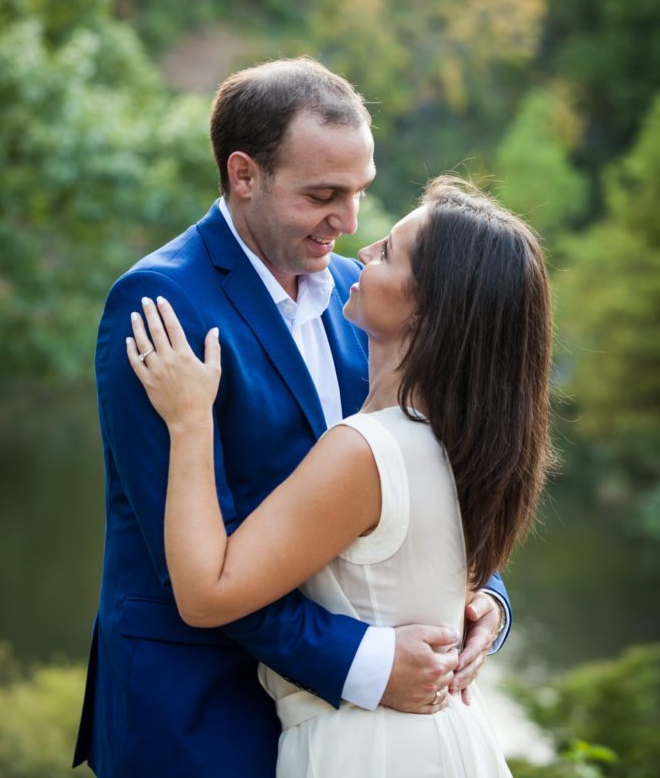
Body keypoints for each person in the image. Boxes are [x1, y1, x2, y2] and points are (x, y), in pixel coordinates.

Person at [73, 58, 510, 778]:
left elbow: (432, 468)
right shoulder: (159, 303)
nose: (348, 222)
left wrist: (481, 596)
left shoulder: (365, 292)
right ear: (244, 175)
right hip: (200, 706)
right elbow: (194, 560)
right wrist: (366, 664)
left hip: (345, 721)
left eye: (359, 192)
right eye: (322, 195)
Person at [127, 175, 553, 776]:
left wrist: (191, 420)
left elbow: (206, 592)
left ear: (427, 309)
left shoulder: (364, 449)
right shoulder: (464, 435)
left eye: (386, 252)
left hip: (369, 748)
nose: (359, 248)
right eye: (324, 194)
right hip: (444, 737)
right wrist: (482, 603)